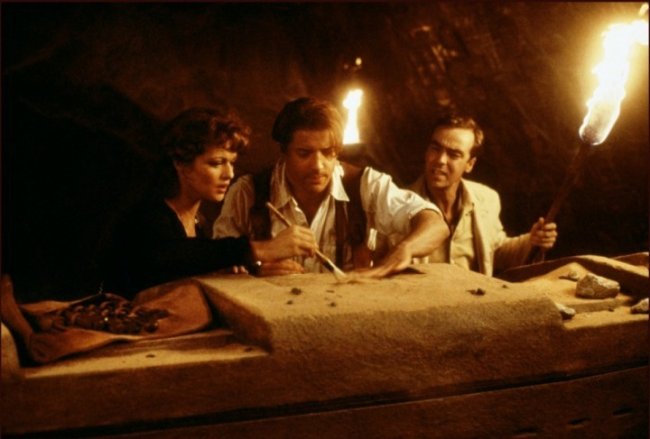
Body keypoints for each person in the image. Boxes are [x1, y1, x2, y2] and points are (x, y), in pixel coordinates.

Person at [214, 97, 449, 277]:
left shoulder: (364, 184)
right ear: (283, 153)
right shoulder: (249, 193)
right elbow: (217, 265)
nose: (318, 166)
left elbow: (435, 224)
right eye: (304, 153)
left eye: (328, 153)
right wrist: (254, 269)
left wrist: (406, 248)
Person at [99, 107, 318, 296]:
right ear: (181, 164)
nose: (229, 174)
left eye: (231, 163)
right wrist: (262, 249)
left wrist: (250, 270)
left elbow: (192, 266)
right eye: (216, 163)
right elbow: (175, 256)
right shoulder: (147, 217)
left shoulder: (198, 221)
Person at [408, 114, 558, 276]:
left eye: (454, 155)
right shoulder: (399, 205)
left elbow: (495, 252)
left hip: (475, 293)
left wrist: (532, 241)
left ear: (470, 164)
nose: (440, 160)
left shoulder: (487, 199)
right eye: (435, 149)